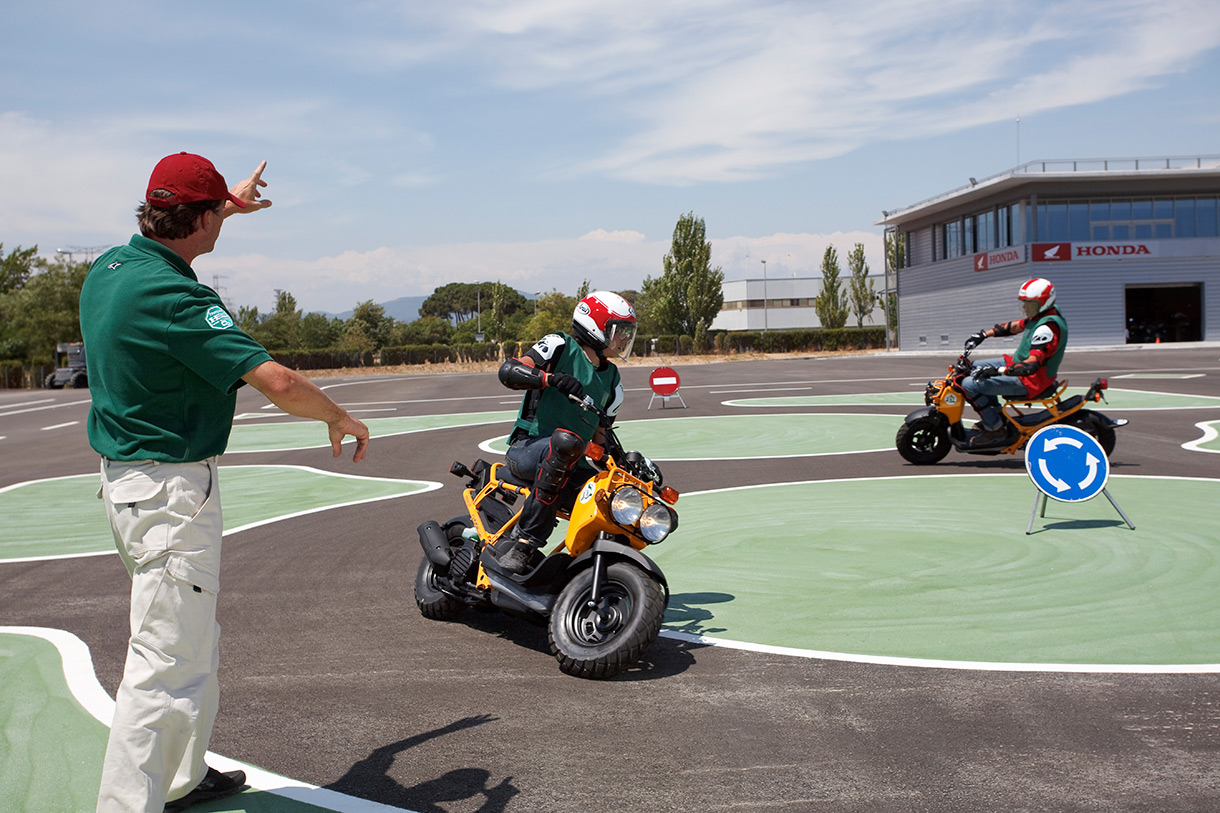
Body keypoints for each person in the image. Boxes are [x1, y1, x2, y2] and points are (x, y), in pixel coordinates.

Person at [81, 152, 371, 813]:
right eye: (217, 212)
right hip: (170, 495)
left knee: (191, 642)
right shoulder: (179, 298)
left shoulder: (113, 269)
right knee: (162, 667)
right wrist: (339, 415)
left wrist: (226, 204)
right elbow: (278, 381)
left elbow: (185, 226)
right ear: (200, 217)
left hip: (130, 487)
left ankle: (181, 776)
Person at [494, 291, 637, 574]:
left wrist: (626, 467)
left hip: (572, 465)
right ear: (595, 327)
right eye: (618, 331)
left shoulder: (613, 381)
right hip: (527, 450)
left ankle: (592, 568)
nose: (624, 339)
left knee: (615, 492)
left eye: (627, 332)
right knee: (565, 443)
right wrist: (549, 379)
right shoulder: (559, 345)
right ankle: (524, 543)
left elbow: (601, 438)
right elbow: (509, 371)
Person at [961, 277, 1068, 446]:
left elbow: (1030, 366)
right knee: (973, 366)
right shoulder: (1043, 315)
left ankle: (995, 428)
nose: (1025, 308)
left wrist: (997, 371)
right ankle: (996, 417)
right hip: (1018, 367)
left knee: (969, 384)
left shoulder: (1046, 328)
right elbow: (1016, 326)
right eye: (1024, 303)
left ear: (1045, 302)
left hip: (1031, 380)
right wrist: (984, 334)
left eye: (1030, 304)